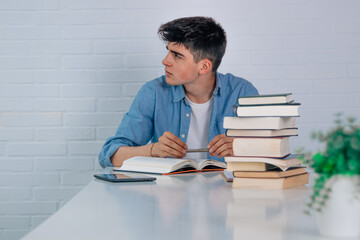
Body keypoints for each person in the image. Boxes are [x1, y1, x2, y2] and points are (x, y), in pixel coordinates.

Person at [98, 16, 258, 168]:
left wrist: (242, 146)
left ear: (204, 67)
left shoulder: (243, 92)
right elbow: (110, 156)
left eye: (177, 56)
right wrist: (153, 150)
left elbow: (277, 153)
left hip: (226, 192)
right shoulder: (153, 92)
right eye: (168, 51)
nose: (165, 61)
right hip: (168, 193)